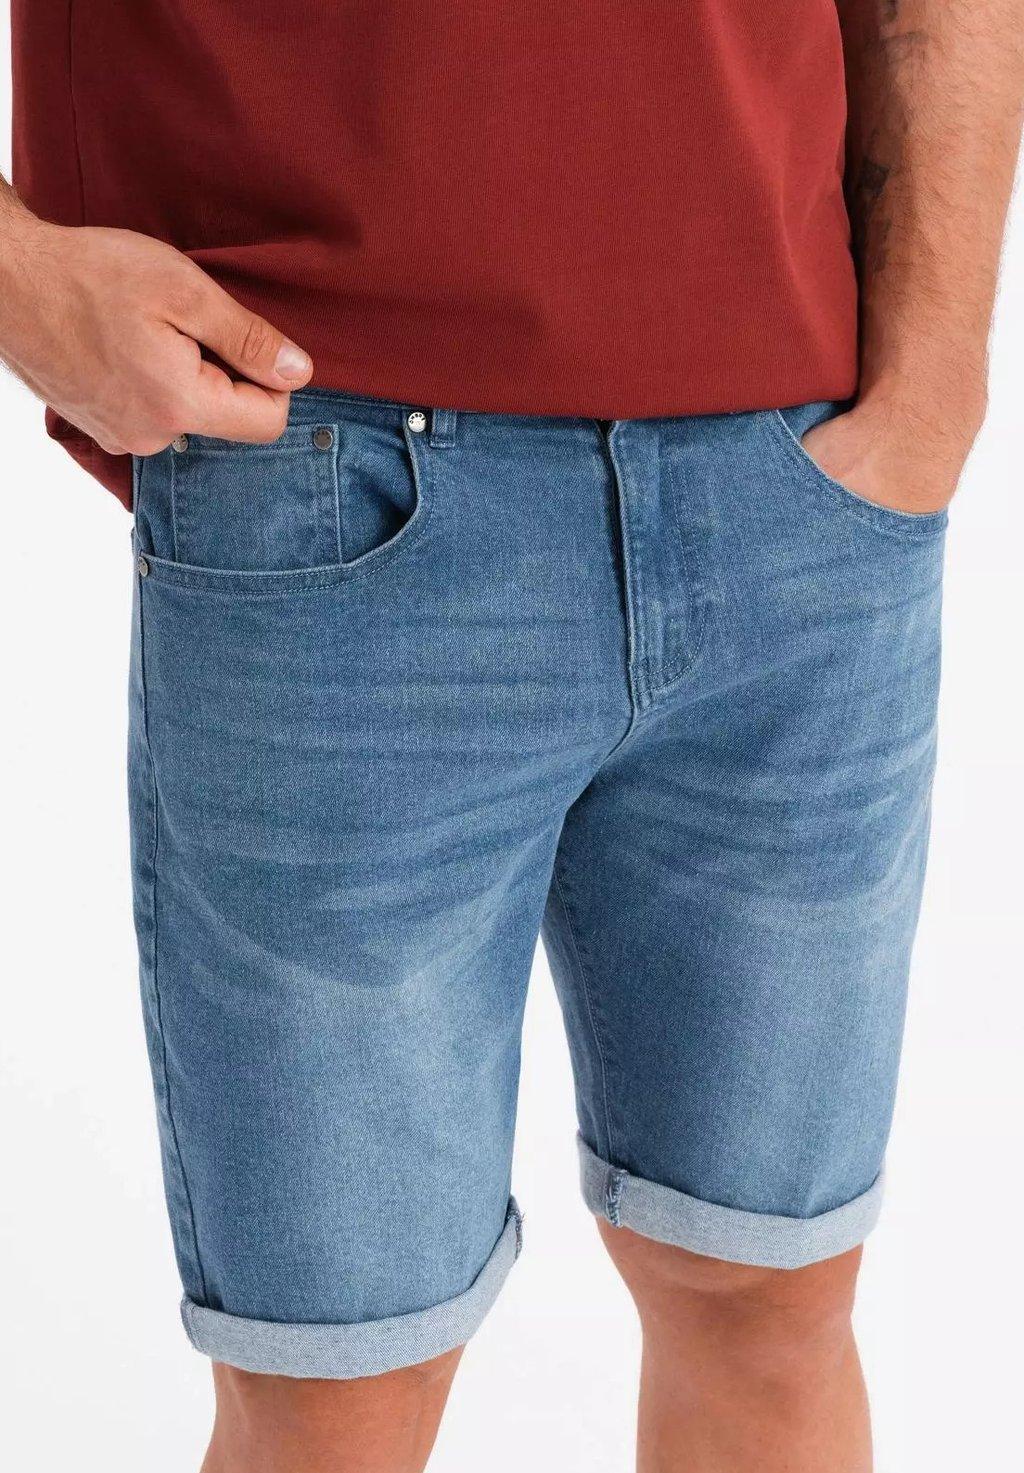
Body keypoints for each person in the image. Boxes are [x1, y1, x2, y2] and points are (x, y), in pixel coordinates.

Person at [2, 4, 1021, 1470]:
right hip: (327, 464)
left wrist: (935, 382)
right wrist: (17, 274)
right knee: (336, 1399)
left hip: (797, 485)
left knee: (770, 1290)